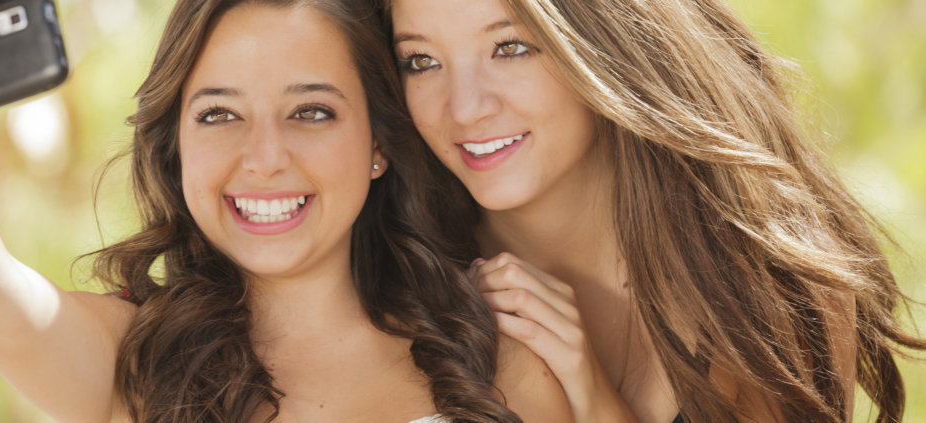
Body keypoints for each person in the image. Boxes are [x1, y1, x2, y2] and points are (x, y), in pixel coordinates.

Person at [0, 0, 575, 421]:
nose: (264, 156)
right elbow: (1, 311)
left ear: (378, 143)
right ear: (176, 147)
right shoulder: (138, 361)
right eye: (219, 114)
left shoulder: (493, 355)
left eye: (311, 112)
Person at [384, 0, 926, 422]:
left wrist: (595, 399)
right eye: (421, 61)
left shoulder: (773, 288)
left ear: (604, 46)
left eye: (509, 48)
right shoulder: (389, 296)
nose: (464, 108)